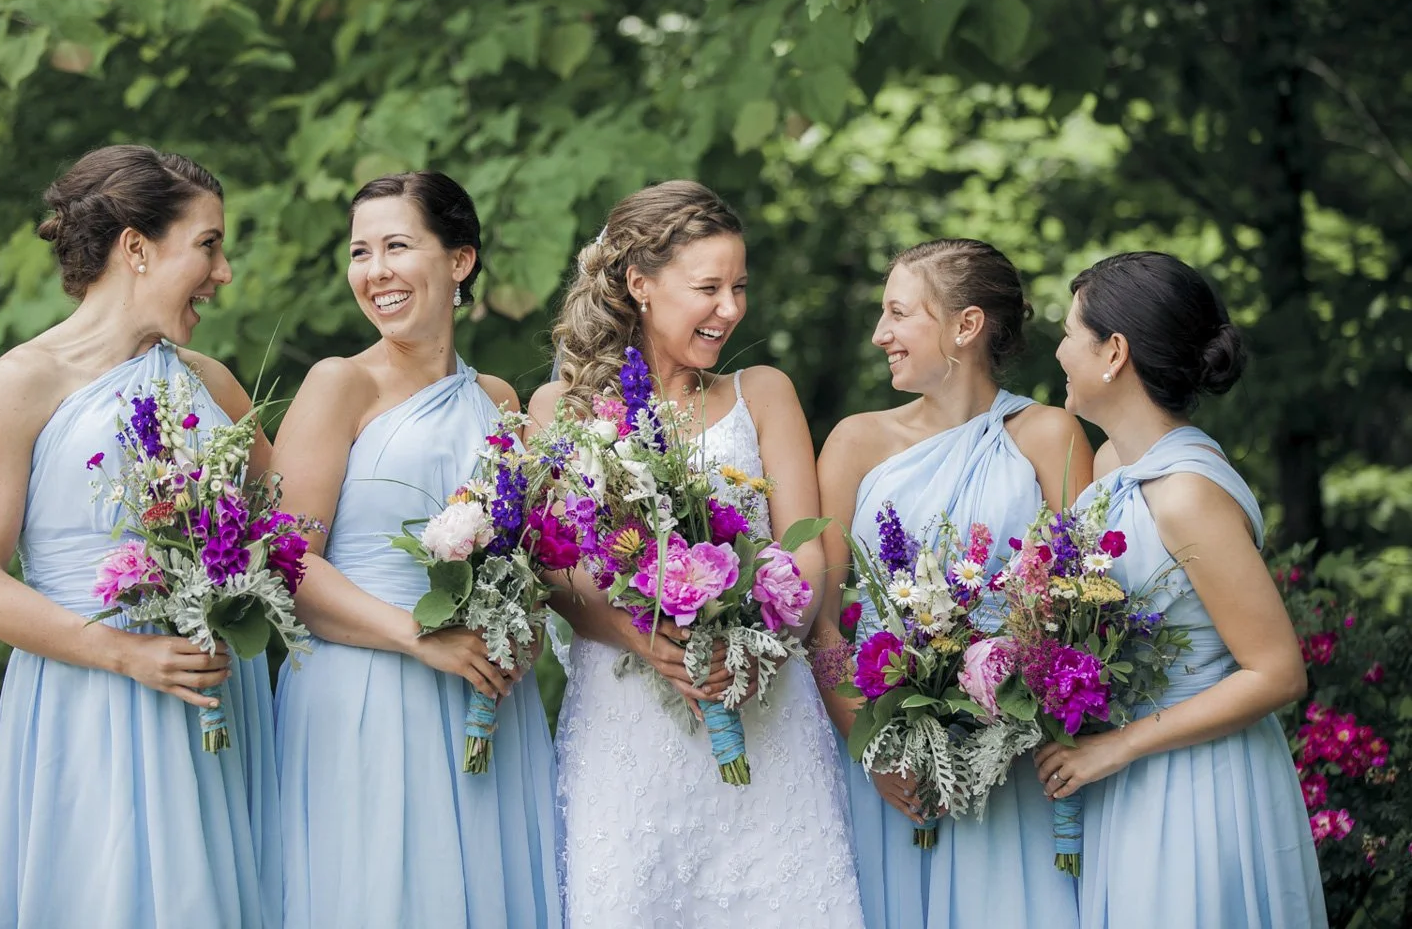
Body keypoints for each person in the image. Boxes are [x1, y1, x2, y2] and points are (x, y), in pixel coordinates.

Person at [0, 145, 282, 928]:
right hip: (88, 699)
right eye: (208, 245)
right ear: (136, 247)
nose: (223, 272)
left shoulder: (214, 383)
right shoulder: (19, 384)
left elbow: (296, 537)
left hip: (215, 705)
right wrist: (127, 653)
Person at [528, 180, 865, 928]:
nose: (731, 309)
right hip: (627, 720)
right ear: (639, 284)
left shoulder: (764, 394)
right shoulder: (561, 411)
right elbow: (554, 571)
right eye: (708, 287)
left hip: (765, 709)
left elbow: (803, 550)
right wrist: (647, 640)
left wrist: (755, 647)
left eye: (739, 286)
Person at [271, 171, 559, 928]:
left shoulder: (500, 400)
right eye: (360, 252)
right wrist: (421, 636)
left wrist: (518, 623)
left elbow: (525, 551)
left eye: (398, 246)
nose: (375, 271)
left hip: (487, 695)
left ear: (458, 260)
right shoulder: (339, 385)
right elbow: (287, 564)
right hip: (367, 690)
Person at [1038, 250, 1327, 928]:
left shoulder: (1187, 493)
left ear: (1114, 352)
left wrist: (1120, 744)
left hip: (1196, 784)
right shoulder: (1114, 464)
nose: (1057, 350)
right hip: (1125, 779)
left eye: (1069, 332)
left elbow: (1278, 671)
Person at [811, 238, 1090, 929]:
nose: (881, 334)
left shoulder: (1050, 436)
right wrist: (872, 752)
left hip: (1014, 758)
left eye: (899, 313)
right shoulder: (855, 441)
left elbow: (1085, 603)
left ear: (966, 326)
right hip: (887, 753)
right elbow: (817, 622)